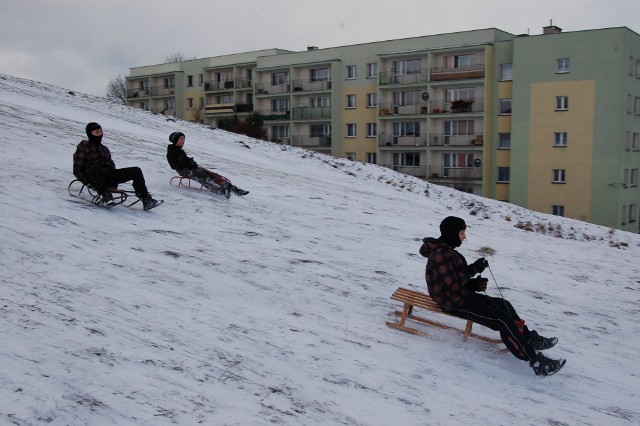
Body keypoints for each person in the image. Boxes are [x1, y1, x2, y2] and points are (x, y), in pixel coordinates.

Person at [419, 216, 566, 376]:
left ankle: (528, 338)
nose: (464, 237)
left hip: (461, 296)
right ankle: (536, 362)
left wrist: (472, 284)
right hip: (453, 303)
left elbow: (453, 281)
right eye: (462, 233)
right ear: (452, 234)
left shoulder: (447, 252)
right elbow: (451, 284)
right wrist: (473, 270)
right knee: (502, 320)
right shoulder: (441, 255)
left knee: (504, 305)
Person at [73, 122, 162, 210]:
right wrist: (87, 183)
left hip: (108, 175)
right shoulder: (83, 148)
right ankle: (106, 196)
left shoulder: (104, 149)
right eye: (96, 132)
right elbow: (77, 169)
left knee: (136, 171)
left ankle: (146, 199)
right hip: (93, 177)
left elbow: (111, 165)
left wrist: (113, 183)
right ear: (90, 134)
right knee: (95, 168)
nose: (99, 134)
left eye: (100, 132)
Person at [166, 132, 249, 198]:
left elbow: (185, 161)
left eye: (184, 139)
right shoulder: (171, 152)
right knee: (203, 177)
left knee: (211, 174)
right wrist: (187, 164)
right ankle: (220, 191)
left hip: (190, 168)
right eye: (181, 139)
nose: (183, 141)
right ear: (175, 140)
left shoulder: (179, 150)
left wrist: (191, 162)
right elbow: (174, 166)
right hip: (184, 171)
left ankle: (232, 188)